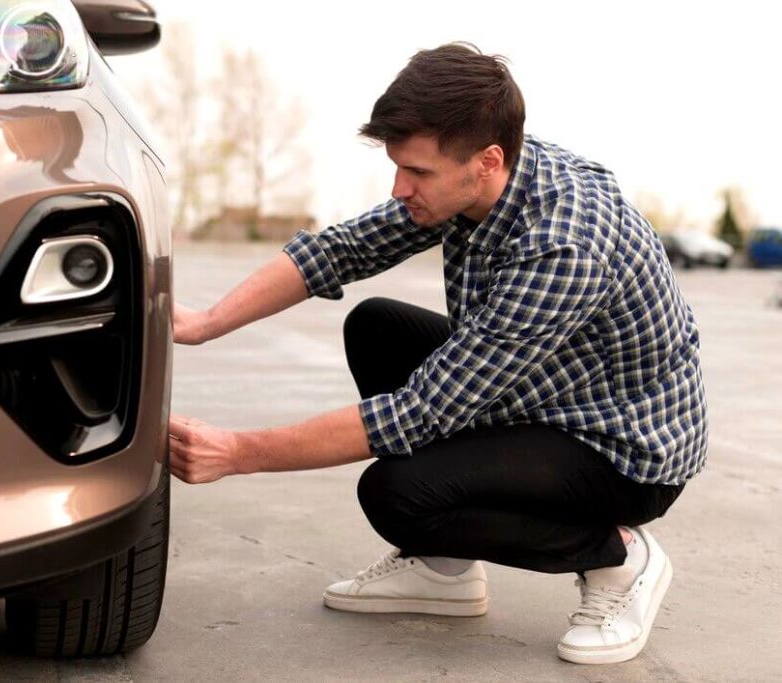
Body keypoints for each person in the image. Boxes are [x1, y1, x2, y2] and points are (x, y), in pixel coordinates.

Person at [169, 42, 707, 665]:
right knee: (376, 326)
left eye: (416, 172)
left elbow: (415, 415)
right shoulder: (479, 180)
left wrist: (237, 454)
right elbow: (341, 250)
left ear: (486, 161)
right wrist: (205, 323)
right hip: (549, 392)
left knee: (397, 493)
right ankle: (444, 570)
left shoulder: (563, 244)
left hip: (620, 450)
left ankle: (616, 557)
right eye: (398, 166)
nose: (400, 188)